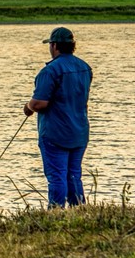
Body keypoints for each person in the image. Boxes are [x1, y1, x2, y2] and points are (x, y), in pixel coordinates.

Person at [23, 27, 92, 208]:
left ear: (54, 45)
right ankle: (79, 210)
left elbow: (39, 103)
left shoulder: (50, 71)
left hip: (55, 133)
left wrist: (28, 107)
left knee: (57, 175)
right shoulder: (85, 67)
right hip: (79, 131)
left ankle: (55, 212)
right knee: (73, 174)